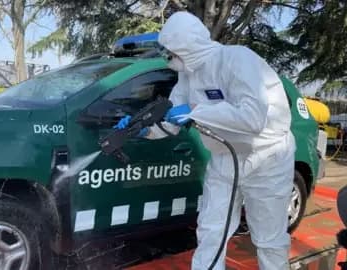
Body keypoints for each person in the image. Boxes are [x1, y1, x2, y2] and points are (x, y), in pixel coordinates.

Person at [114, 11, 295, 270]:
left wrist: (195, 112)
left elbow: (253, 117)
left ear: (187, 47)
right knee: (211, 230)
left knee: (268, 239)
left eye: (172, 52)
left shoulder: (237, 59)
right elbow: (171, 120)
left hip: (268, 159)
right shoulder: (188, 75)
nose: (169, 59)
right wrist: (144, 129)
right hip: (225, 158)